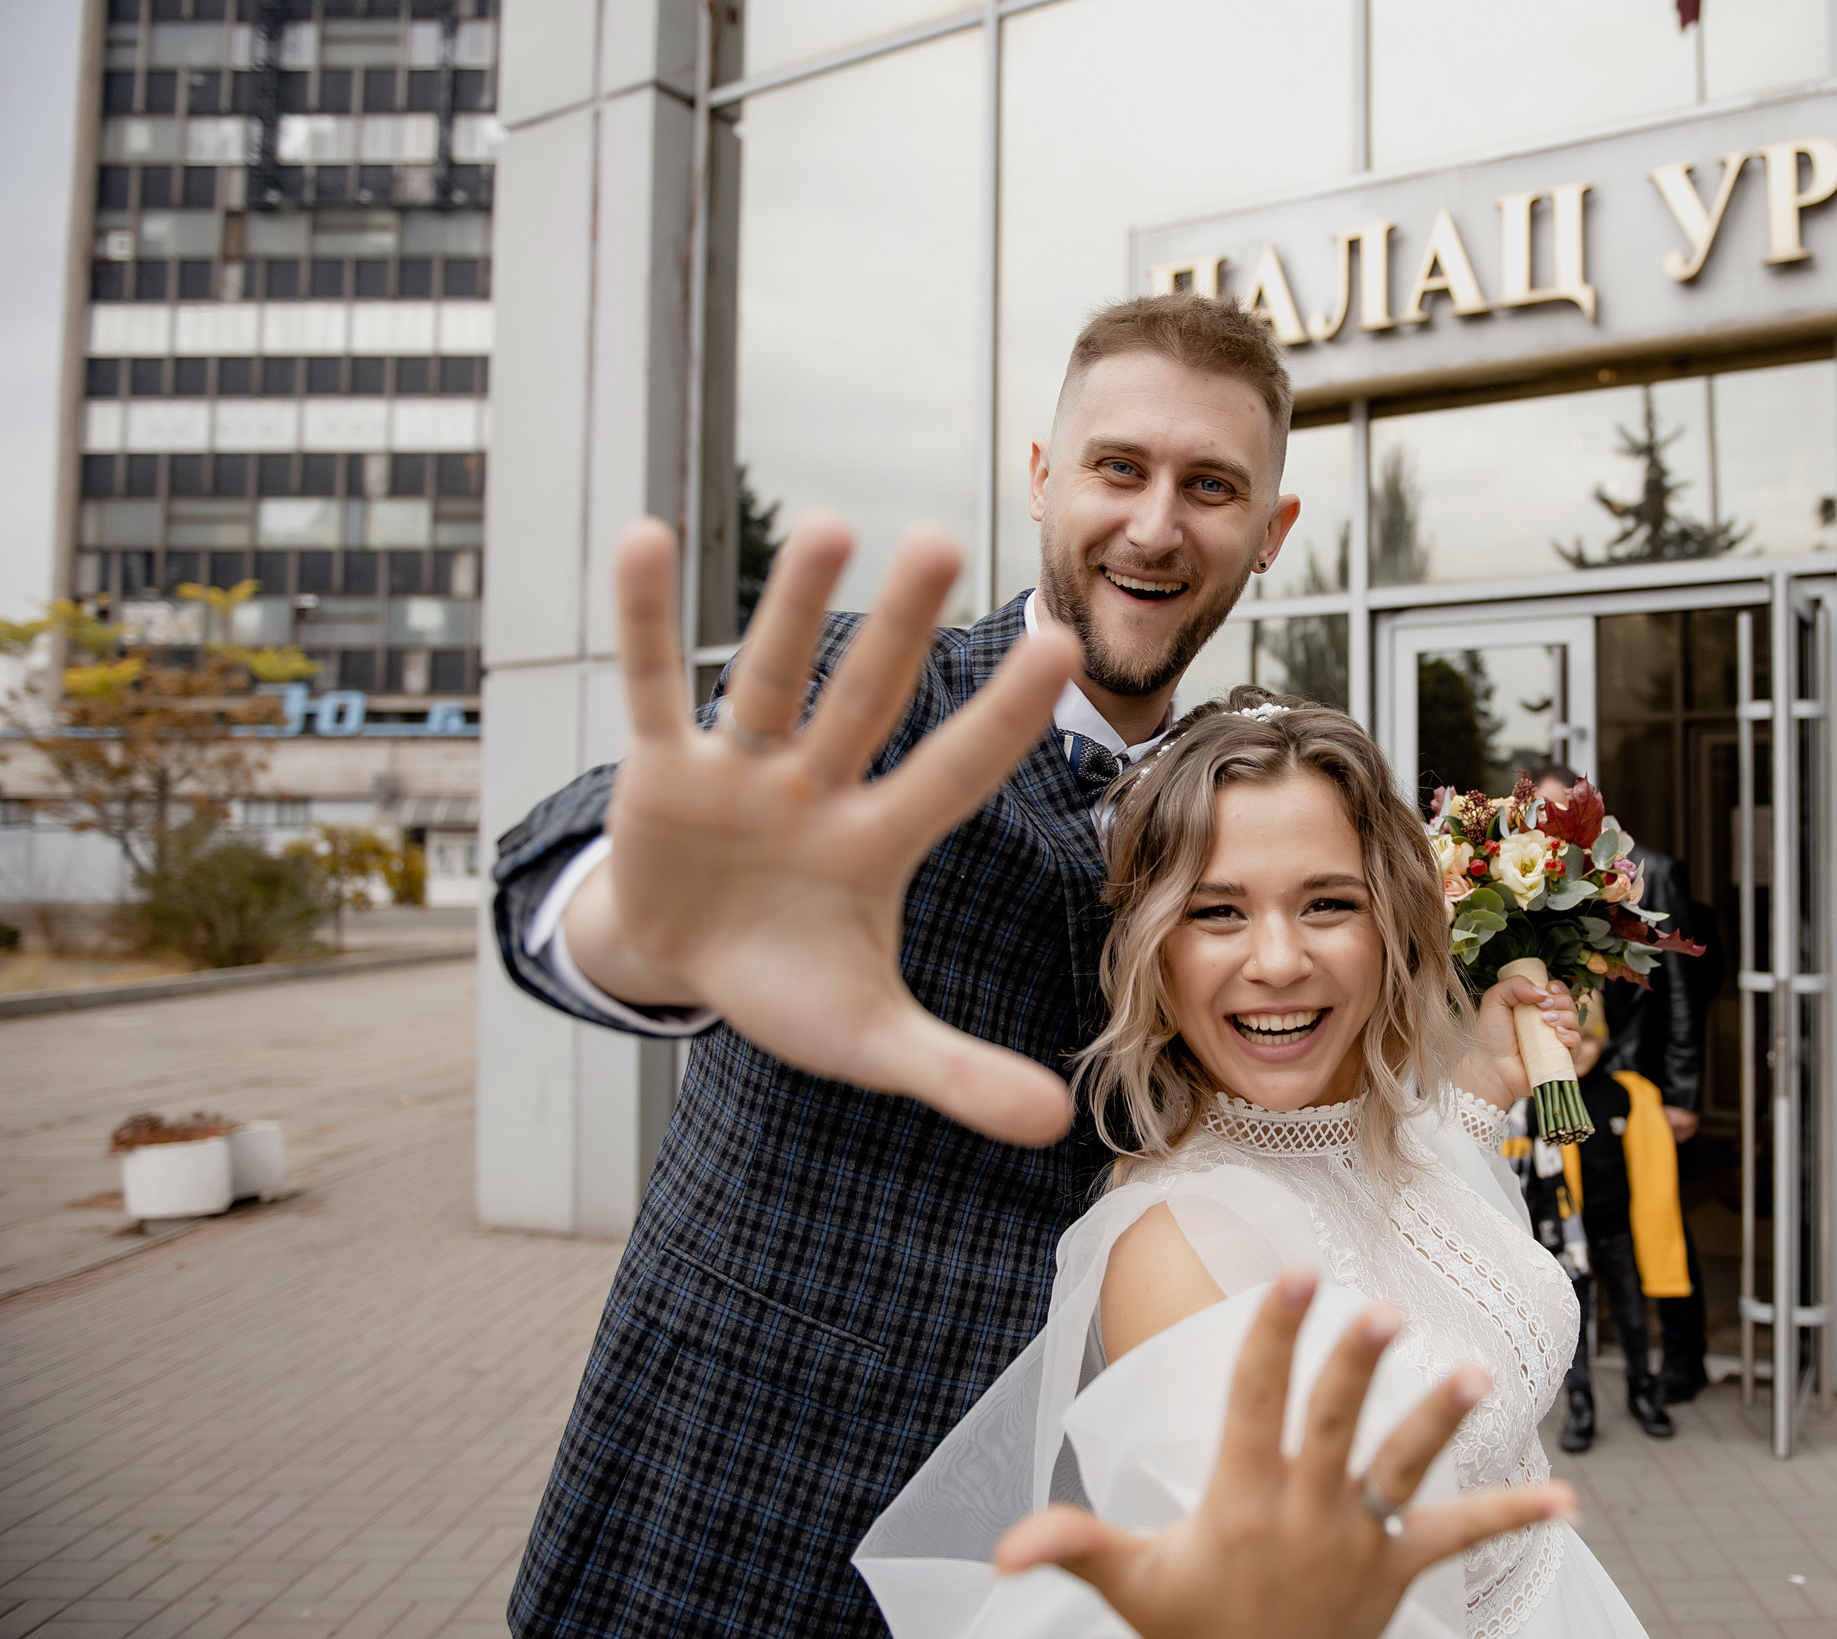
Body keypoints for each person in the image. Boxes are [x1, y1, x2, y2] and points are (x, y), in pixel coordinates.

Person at [491, 295, 1550, 1638]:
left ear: (1271, 533)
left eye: (1211, 486)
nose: (1157, 525)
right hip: (722, 1532)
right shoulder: (877, 703)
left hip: (1060, 1564)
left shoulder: (1236, 803)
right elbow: (613, 864)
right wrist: (644, 928)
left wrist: (1459, 1085)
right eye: (1120, 468)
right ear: (1044, 476)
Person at [855, 690, 1648, 1637]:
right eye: (1218, 910)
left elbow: (1434, 1234)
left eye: (1326, 903)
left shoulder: (1397, 1125)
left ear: (1393, 919)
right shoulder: (1179, 1249)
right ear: (1153, 946)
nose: (1276, 960)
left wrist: (1476, 1088)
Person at [1528, 765, 1721, 1403]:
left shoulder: (1652, 869)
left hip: (1640, 1079)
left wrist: (1682, 1092)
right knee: (1588, 1220)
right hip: (1580, 1075)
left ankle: (1682, 1359)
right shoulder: (1547, 884)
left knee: (1660, 1220)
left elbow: (1684, 992)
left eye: (1560, 812)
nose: (1548, 827)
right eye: (1539, 815)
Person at [1521, 1014, 1687, 1453]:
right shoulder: (1541, 1100)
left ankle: (1641, 1389)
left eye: (1590, 1040)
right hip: (1564, 1236)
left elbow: (1648, 1171)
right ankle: (1581, 1403)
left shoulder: (1621, 1094)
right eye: (1571, 1042)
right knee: (1573, 1324)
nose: (1581, 1051)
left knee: (1632, 1315)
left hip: (1614, 1230)